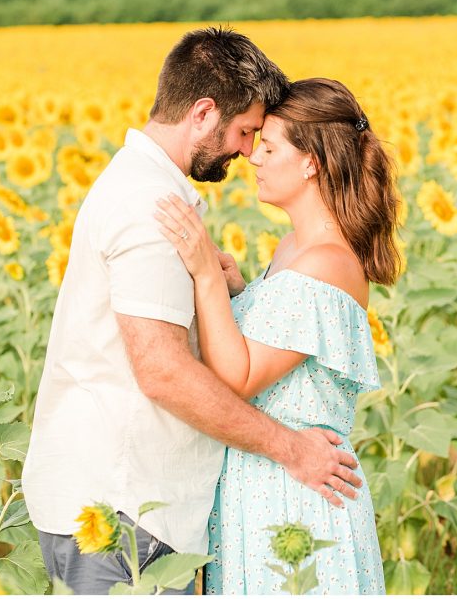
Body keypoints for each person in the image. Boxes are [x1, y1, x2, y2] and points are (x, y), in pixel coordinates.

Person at [22, 29, 367, 595]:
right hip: (125, 509)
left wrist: (226, 288)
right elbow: (161, 371)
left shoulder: (149, 192)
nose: (246, 150)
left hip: (135, 509)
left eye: (260, 139)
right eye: (245, 131)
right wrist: (289, 447)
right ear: (204, 113)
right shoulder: (150, 207)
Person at [155, 77, 401, 594]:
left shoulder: (327, 263)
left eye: (268, 146)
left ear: (311, 162)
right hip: (266, 483)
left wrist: (204, 276)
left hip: (297, 499)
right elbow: (275, 348)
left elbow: (239, 378)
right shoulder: (294, 249)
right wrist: (241, 294)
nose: (254, 158)